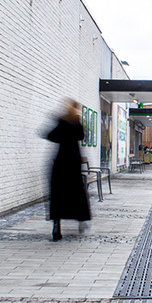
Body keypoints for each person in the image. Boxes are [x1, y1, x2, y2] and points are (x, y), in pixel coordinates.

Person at [45, 99, 91, 241]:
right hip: (73, 161)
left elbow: (50, 136)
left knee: (58, 193)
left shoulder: (61, 120)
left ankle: (56, 227)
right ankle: (81, 219)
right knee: (77, 191)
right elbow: (81, 137)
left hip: (61, 161)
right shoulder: (76, 122)